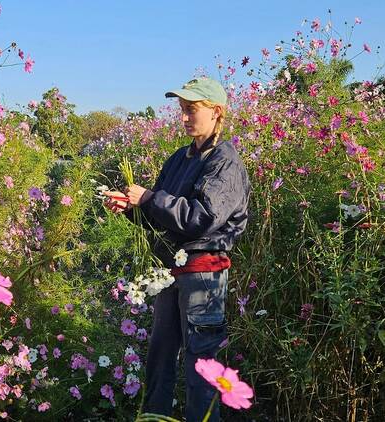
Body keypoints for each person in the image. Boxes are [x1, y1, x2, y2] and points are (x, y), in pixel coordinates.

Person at [103, 77, 251, 421]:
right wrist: (132, 208)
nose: (184, 117)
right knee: (160, 352)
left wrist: (150, 199)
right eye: (182, 110)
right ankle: (154, 416)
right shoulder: (178, 159)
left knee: (201, 362)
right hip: (170, 271)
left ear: (217, 112)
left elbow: (203, 218)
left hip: (203, 275)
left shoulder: (224, 161)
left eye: (191, 110)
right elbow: (160, 219)